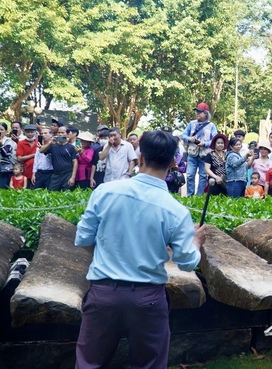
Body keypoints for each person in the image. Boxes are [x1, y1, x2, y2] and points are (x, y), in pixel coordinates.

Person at [74, 130, 206, 368]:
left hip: (103, 293)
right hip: (148, 299)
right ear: (173, 162)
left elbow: (83, 239)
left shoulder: (105, 192)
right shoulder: (176, 211)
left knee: (89, 364)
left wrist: (110, 260)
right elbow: (186, 262)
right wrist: (196, 242)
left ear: (141, 157)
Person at [182, 102, 217, 196]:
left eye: (200, 112)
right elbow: (183, 135)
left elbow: (215, 140)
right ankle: (190, 196)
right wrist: (189, 138)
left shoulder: (211, 126)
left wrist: (205, 144)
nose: (197, 113)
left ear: (206, 114)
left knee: (203, 176)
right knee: (189, 175)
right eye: (197, 111)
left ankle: (199, 197)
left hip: (205, 155)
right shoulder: (191, 124)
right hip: (192, 153)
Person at [40, 126, 78, 191]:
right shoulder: (53, 146)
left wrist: (73, 177)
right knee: (52, 193)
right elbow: (41, 151)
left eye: (62, 132)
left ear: (67, 134)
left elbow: (75, 162)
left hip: (67, 174)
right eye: (59, 132)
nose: (60, 134)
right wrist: (50, 143)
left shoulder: (71, 147)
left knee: (66, 195)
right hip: (56, 175)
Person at [16, 124, 38, 188]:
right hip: (26, 171)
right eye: (28, 132)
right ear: (25, 133)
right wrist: (34, 155)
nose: (30, 134)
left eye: (32, 132)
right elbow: (19, 158)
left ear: (35, 132)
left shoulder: (38, 142)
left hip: (37, 172)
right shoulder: (21, 143)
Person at [0, 123, 17, 189]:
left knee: (3, 189)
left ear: (6, 131)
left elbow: (6, 154)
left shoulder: (10, 141)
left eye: (2, 129)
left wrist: (1, 146)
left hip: (5, 169)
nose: (0, 131)